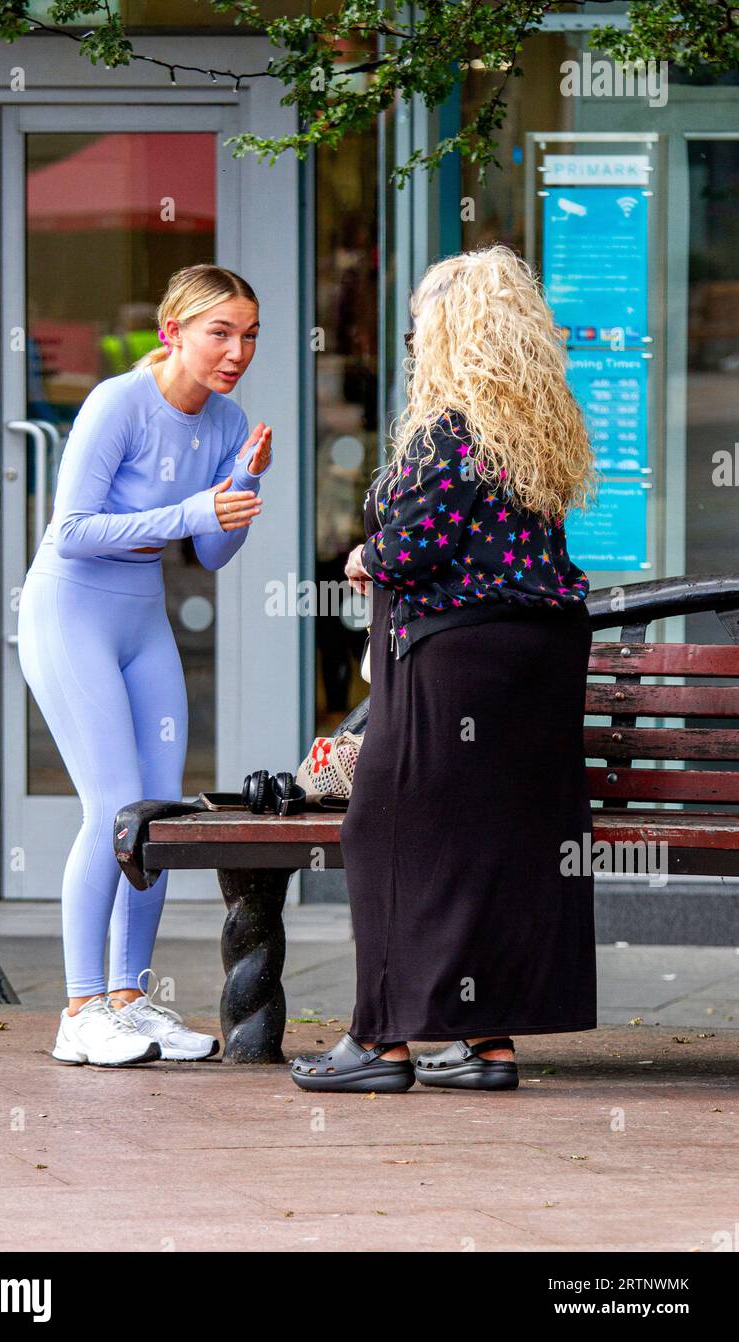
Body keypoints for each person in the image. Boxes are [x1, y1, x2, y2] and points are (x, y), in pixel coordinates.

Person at [291, 244, 599, 1095]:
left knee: (384, 833)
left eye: (424, 322)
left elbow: (416, 550)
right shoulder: (539, 421)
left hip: (454, 657)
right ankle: (484, 1041)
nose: (414, 337)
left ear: (453, 331)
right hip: (536, 657)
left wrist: (362, 554)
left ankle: (378, 1044)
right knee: (488, 845)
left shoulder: (447, 428)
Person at [17, 264, 272, 1067]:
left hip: (140, 618)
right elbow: (73, 530)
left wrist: (241, 485)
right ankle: (79, 1007)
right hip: (70, 611)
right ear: (172, 332)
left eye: (250, 335)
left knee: (152, 819)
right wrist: (197, 506)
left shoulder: (228, 421)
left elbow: (212, 552)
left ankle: (129, 1000)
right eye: (220, 333)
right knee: (110, 808)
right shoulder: (117, 404)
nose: (237, 351)